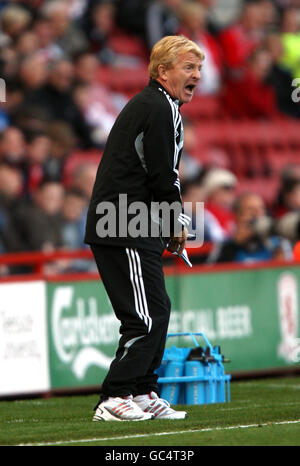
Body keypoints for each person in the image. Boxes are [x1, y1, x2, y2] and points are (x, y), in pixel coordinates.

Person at [84, 35, 204, 421]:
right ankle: (114, 395)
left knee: (158, 310)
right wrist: (176, 222)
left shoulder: (156, 105)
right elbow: (163, 177)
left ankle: (141, 391)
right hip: (123, 222)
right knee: (147, 315)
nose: (197, 76)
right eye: (188, 67)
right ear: (162, 71)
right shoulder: (160, 107)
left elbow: (159, 176)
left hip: (131, 222)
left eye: (199, 68)